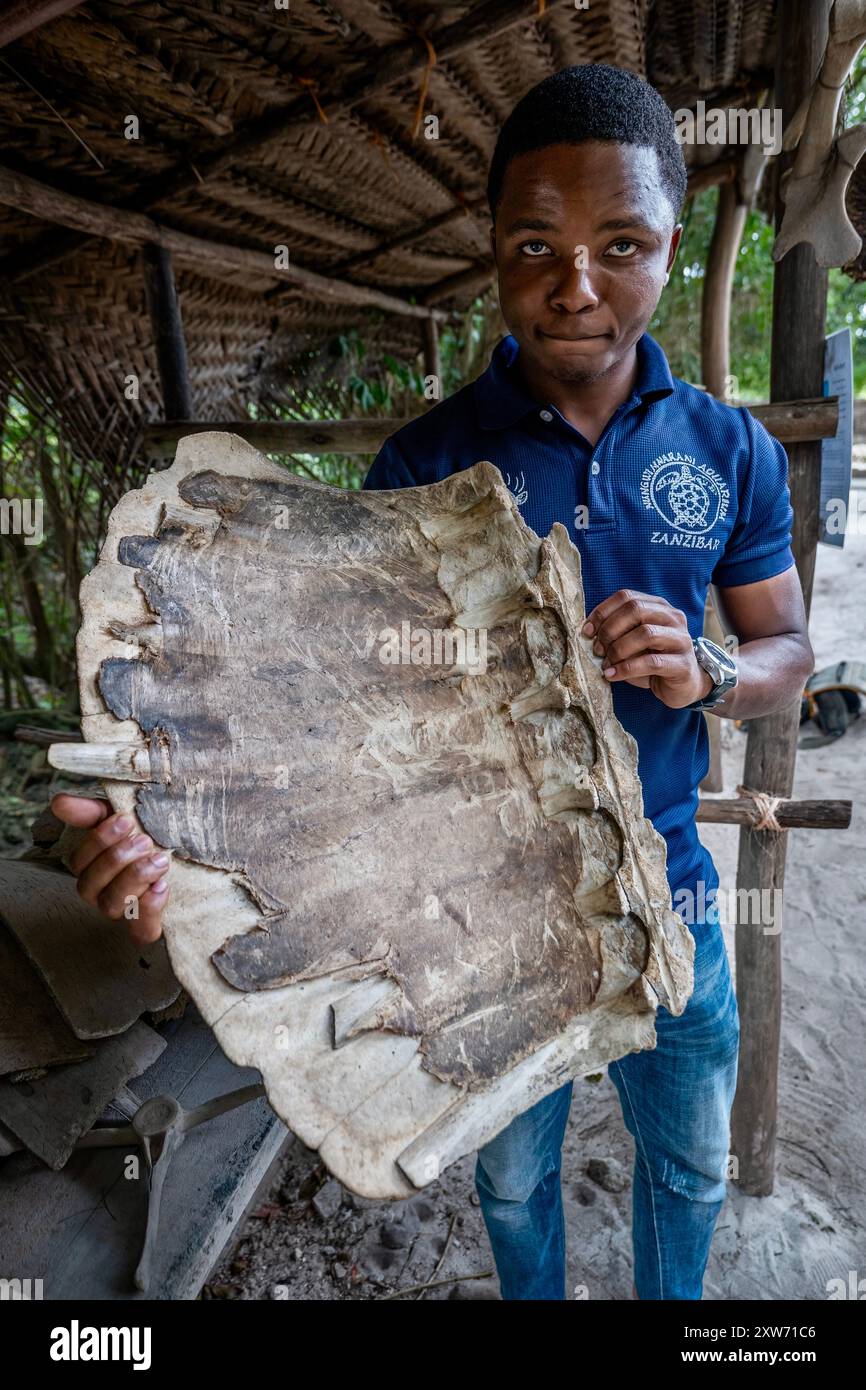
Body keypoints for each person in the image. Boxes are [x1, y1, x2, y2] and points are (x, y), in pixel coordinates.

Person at [50, 61, 813, 1301]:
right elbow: (328, 717)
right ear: (492, 254)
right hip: (475, 930)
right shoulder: (425, 462)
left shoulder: (724, 448)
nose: (574, 285)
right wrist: (178, 842)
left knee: (687, 1163)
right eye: (534, 245)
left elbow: (787, 656)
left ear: (670, 245)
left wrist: (712, 667)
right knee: (510, 1180)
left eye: (618, 243)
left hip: (673, 893)